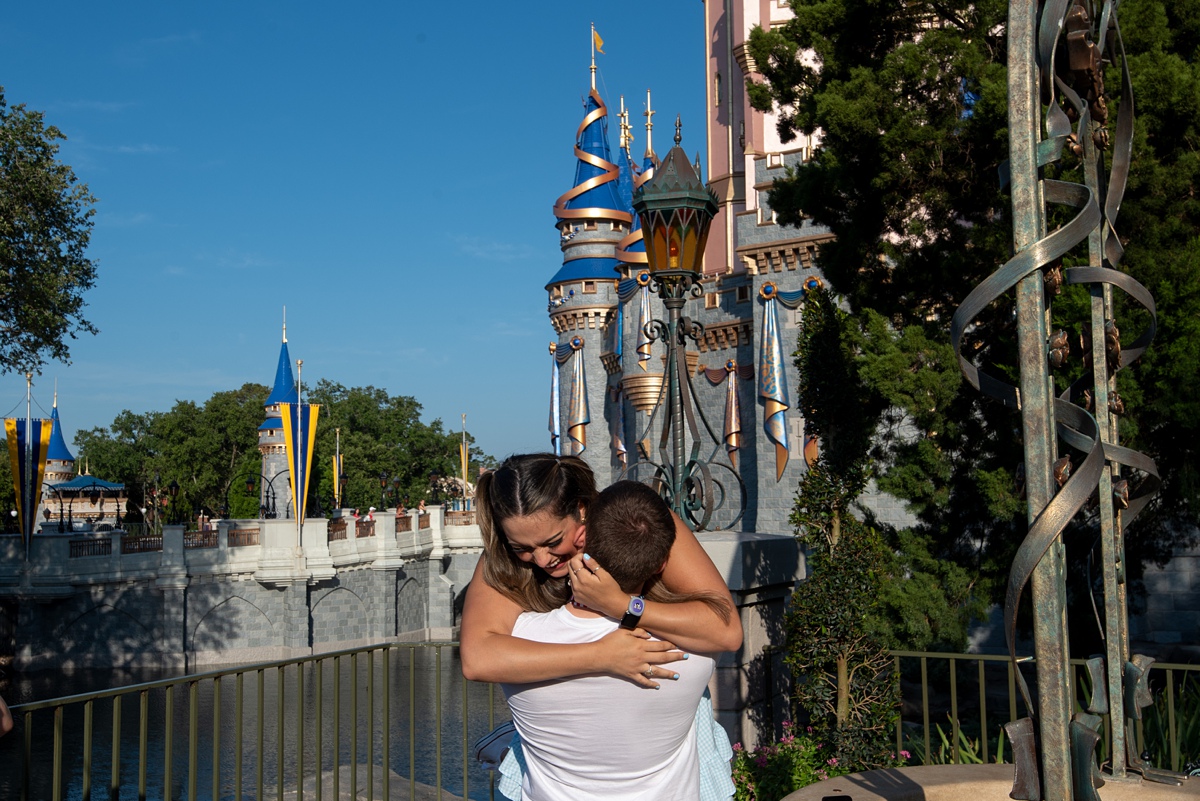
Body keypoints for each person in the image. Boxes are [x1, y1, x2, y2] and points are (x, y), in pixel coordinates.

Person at [461, 454, 742, 796]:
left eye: (552, 542)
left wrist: (622, 606)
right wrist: (601, 655)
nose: (541, 560)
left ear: (581, 509)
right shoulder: (503, 561)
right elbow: (477, 658)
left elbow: (726, 630)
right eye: (522, 548)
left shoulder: (635, 524)